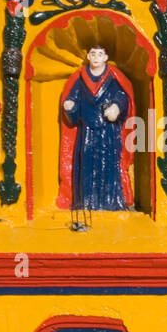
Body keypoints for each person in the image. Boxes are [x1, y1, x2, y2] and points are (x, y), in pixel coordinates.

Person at [57, 46, 136, 212]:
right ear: (88, 56)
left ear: (106, 57)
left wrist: (116, 107)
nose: (96, 57)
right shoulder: (80, 79)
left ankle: (110, 202)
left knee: (109, 165)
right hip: (87, 132)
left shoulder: (113, 78)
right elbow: (73, 97)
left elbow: (122, 96)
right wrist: (70, 105)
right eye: (93, 54)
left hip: (108, 131)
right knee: (85, 166)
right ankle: (86, 203)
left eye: (100, 54)